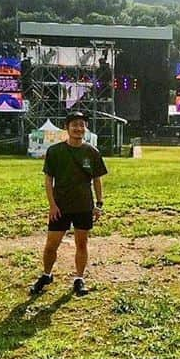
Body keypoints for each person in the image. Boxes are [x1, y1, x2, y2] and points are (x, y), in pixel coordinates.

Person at [30, 111, 108, 297]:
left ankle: (79, 279)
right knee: (51, 245)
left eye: (82, 125)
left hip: (83, 206)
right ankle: (46, 274)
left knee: (82, 244)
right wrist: (52, 205)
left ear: (85, 128)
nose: (78, 128)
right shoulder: (55, 151)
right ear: (67, 128)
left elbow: (97, 179)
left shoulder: (92, 152)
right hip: (61, 207)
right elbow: (49, 180)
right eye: (74, 125)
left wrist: (99, 204)